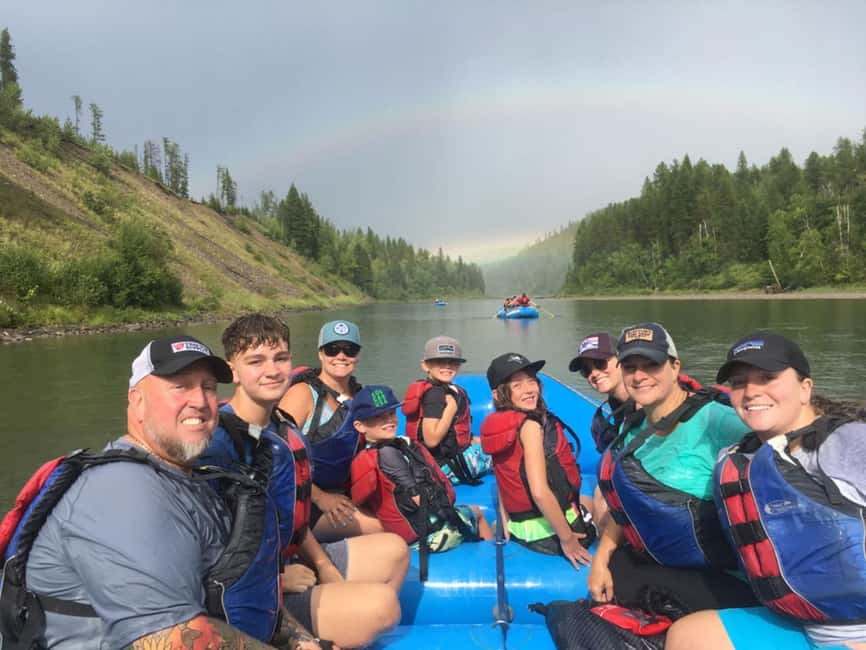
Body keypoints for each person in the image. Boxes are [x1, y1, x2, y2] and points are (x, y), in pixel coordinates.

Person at [1, 335, 321, 649]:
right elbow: (170, 638)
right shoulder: (122, 493)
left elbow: (244, 587)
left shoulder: (193, 481)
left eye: (208, 387)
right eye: (179, 386)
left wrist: (303, 641)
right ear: (137, 401)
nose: (199, 400)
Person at [198, 315, 406, 649]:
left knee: (395, 550)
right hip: (253, 593)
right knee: (382, 606)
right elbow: (209, 556)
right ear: (232, 371)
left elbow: (290, 518)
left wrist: (323, 564)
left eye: (280, 358)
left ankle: (341, 626)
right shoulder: (217, 445)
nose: (273, 370)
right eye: (256, 361)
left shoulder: (283, 432)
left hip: (289, 559)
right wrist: (276, 580)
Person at [666, 333, 866, 650]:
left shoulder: (849, 443)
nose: (751, 392)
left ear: (805, 388)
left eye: (768, 377)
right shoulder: (738, 458)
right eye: (740, 382)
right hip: (801, 622)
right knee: (687, 636)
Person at [588, 322, 756, 613]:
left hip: (723, 576)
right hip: (663, 564)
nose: (639, 376)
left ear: (675, 366)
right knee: (615, 575)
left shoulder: (717, 421)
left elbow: (789, 450)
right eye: (630, 367)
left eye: (650, 365)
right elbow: (628, 506)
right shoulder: (632, 431)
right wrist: (601, 558)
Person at [350, 385, 493, 574]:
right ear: (360, 426)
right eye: (378, 417)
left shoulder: (389, 449)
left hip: (419, 531)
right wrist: (449, 513)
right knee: (476, 513)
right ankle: (494, 561)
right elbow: (416, 498)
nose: (389, 420)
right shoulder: (390, 455)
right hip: (429, 536)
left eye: (391, 414)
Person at [480, 353, 596, 571]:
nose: (529, 390)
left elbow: (505, 476)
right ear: (498, 394)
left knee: (586, 502)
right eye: (517, 385)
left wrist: (506, 523)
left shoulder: (499, 424)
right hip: (548, 536)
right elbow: (540, 492)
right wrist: (568, 540)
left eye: (531, 381)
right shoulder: (529, 426)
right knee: (598, 505)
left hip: (521, 530)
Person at [279, 320, 384, 542]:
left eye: (349, 350)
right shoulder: (302, 394)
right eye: (332, 349)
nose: (341, 356)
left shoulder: (360, 395)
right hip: (306, 502)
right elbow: (278, 457)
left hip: (343, 494)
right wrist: (320, 497)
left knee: (399, 511)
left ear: (358, 354)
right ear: (320, 353)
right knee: (384, 526)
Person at [402, 336, 491, 485]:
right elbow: (431, 440)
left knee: (487, 442)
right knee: (507, 452)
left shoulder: (438, 389)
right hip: (444, 470)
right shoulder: (436, 395)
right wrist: (451, 409)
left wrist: (471, 440)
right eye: (440, 362)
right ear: (425, 365)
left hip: (432, 464)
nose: (447, 366)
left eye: (453, 362)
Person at [569, 331, 635, 531]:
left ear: (621, 360)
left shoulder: (644, 401)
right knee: (600, 491)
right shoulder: (617, 403)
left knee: (602, 493)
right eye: (586, 370)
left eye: (600, 364)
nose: (594, 374)